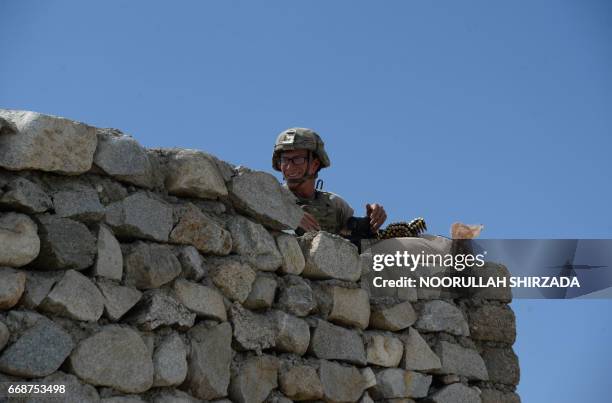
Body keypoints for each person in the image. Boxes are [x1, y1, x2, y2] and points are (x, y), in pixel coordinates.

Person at [272, 127, 387, 243]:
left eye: (298, 159)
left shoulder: (334, 204)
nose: (289, 166)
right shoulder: (271, 197)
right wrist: (289, 215)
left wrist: (371, 222)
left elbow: (358, 237)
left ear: (315, 165)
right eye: (285, 160)